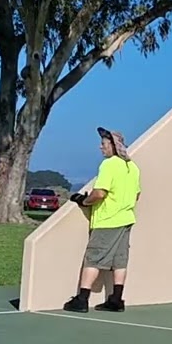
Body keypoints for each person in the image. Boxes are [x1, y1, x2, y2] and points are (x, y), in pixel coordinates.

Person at [62, 127, 141, 313]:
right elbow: (136, 195)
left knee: (93, 259)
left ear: (113, 146)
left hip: (107, 220)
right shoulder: (132, 167)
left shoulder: (109, 165)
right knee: (119, 261)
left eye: (104, 144)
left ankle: (82, 300)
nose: (100, 147)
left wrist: (83, 200)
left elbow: (99, 193)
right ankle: (116, 299)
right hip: (126, 219)